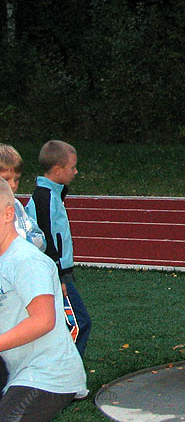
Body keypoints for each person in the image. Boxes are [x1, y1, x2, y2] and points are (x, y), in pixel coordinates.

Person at [0, 177, 87, 420]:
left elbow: (43, 320)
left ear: (8, 215)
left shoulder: (26, 260)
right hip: (21, 370)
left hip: (48, 374)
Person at [25, 141, 92, 360]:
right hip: (54, 273)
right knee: (79, 323)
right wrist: (58, 275)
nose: (76, 171)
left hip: (59, 272)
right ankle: (66, 372)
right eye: (72, 167)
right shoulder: (44, 197)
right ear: (57, 170)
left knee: (64, 324)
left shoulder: (53, 194)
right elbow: (45, 237)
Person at [0, 144, 47, 394]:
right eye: (6, 179)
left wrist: (21, 244)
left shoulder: (16, 208)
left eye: (16, 179)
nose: (13, 185)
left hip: (13, 290)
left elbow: (38, 239)